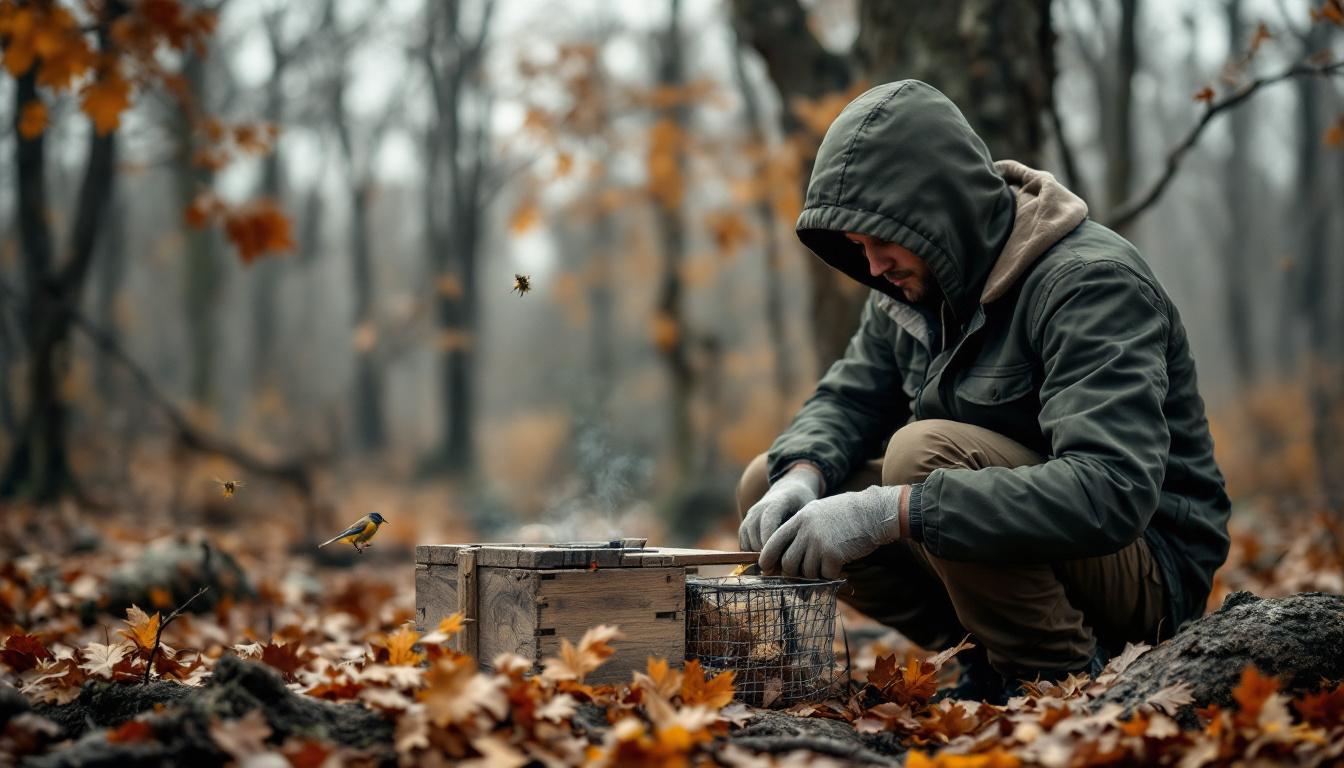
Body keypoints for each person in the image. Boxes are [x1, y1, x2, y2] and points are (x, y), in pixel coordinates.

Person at [736, 81, 1230, 701]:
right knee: (768, 482)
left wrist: (891, 511)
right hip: (1037, 550)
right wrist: (802, 473)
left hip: (1146, 566)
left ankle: (1063, 680)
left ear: (939, 212)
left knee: (920, 457)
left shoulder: (1090, 281)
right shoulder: (910, 289)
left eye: (882, 241)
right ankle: (988, 655)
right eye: (859, 248)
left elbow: (1112, 490)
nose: (873, 267)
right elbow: (850, 399)